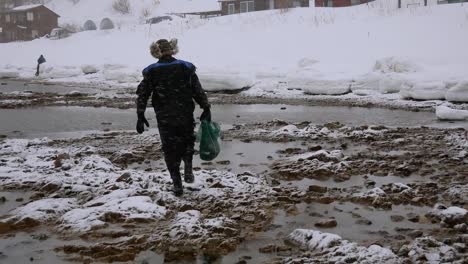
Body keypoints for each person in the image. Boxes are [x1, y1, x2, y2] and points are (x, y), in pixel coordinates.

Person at [135, 39, 211, 196]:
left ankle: (177, 184)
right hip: (184, 113)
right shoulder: (185, 67)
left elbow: (143, 93)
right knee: (187, 141)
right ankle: (188, 167)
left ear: (157, 52)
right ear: (172, 50)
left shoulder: (151, 71)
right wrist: (206, 107)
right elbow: (197, 90)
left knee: (170, 149)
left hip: (165, 116)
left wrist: (140, 114)